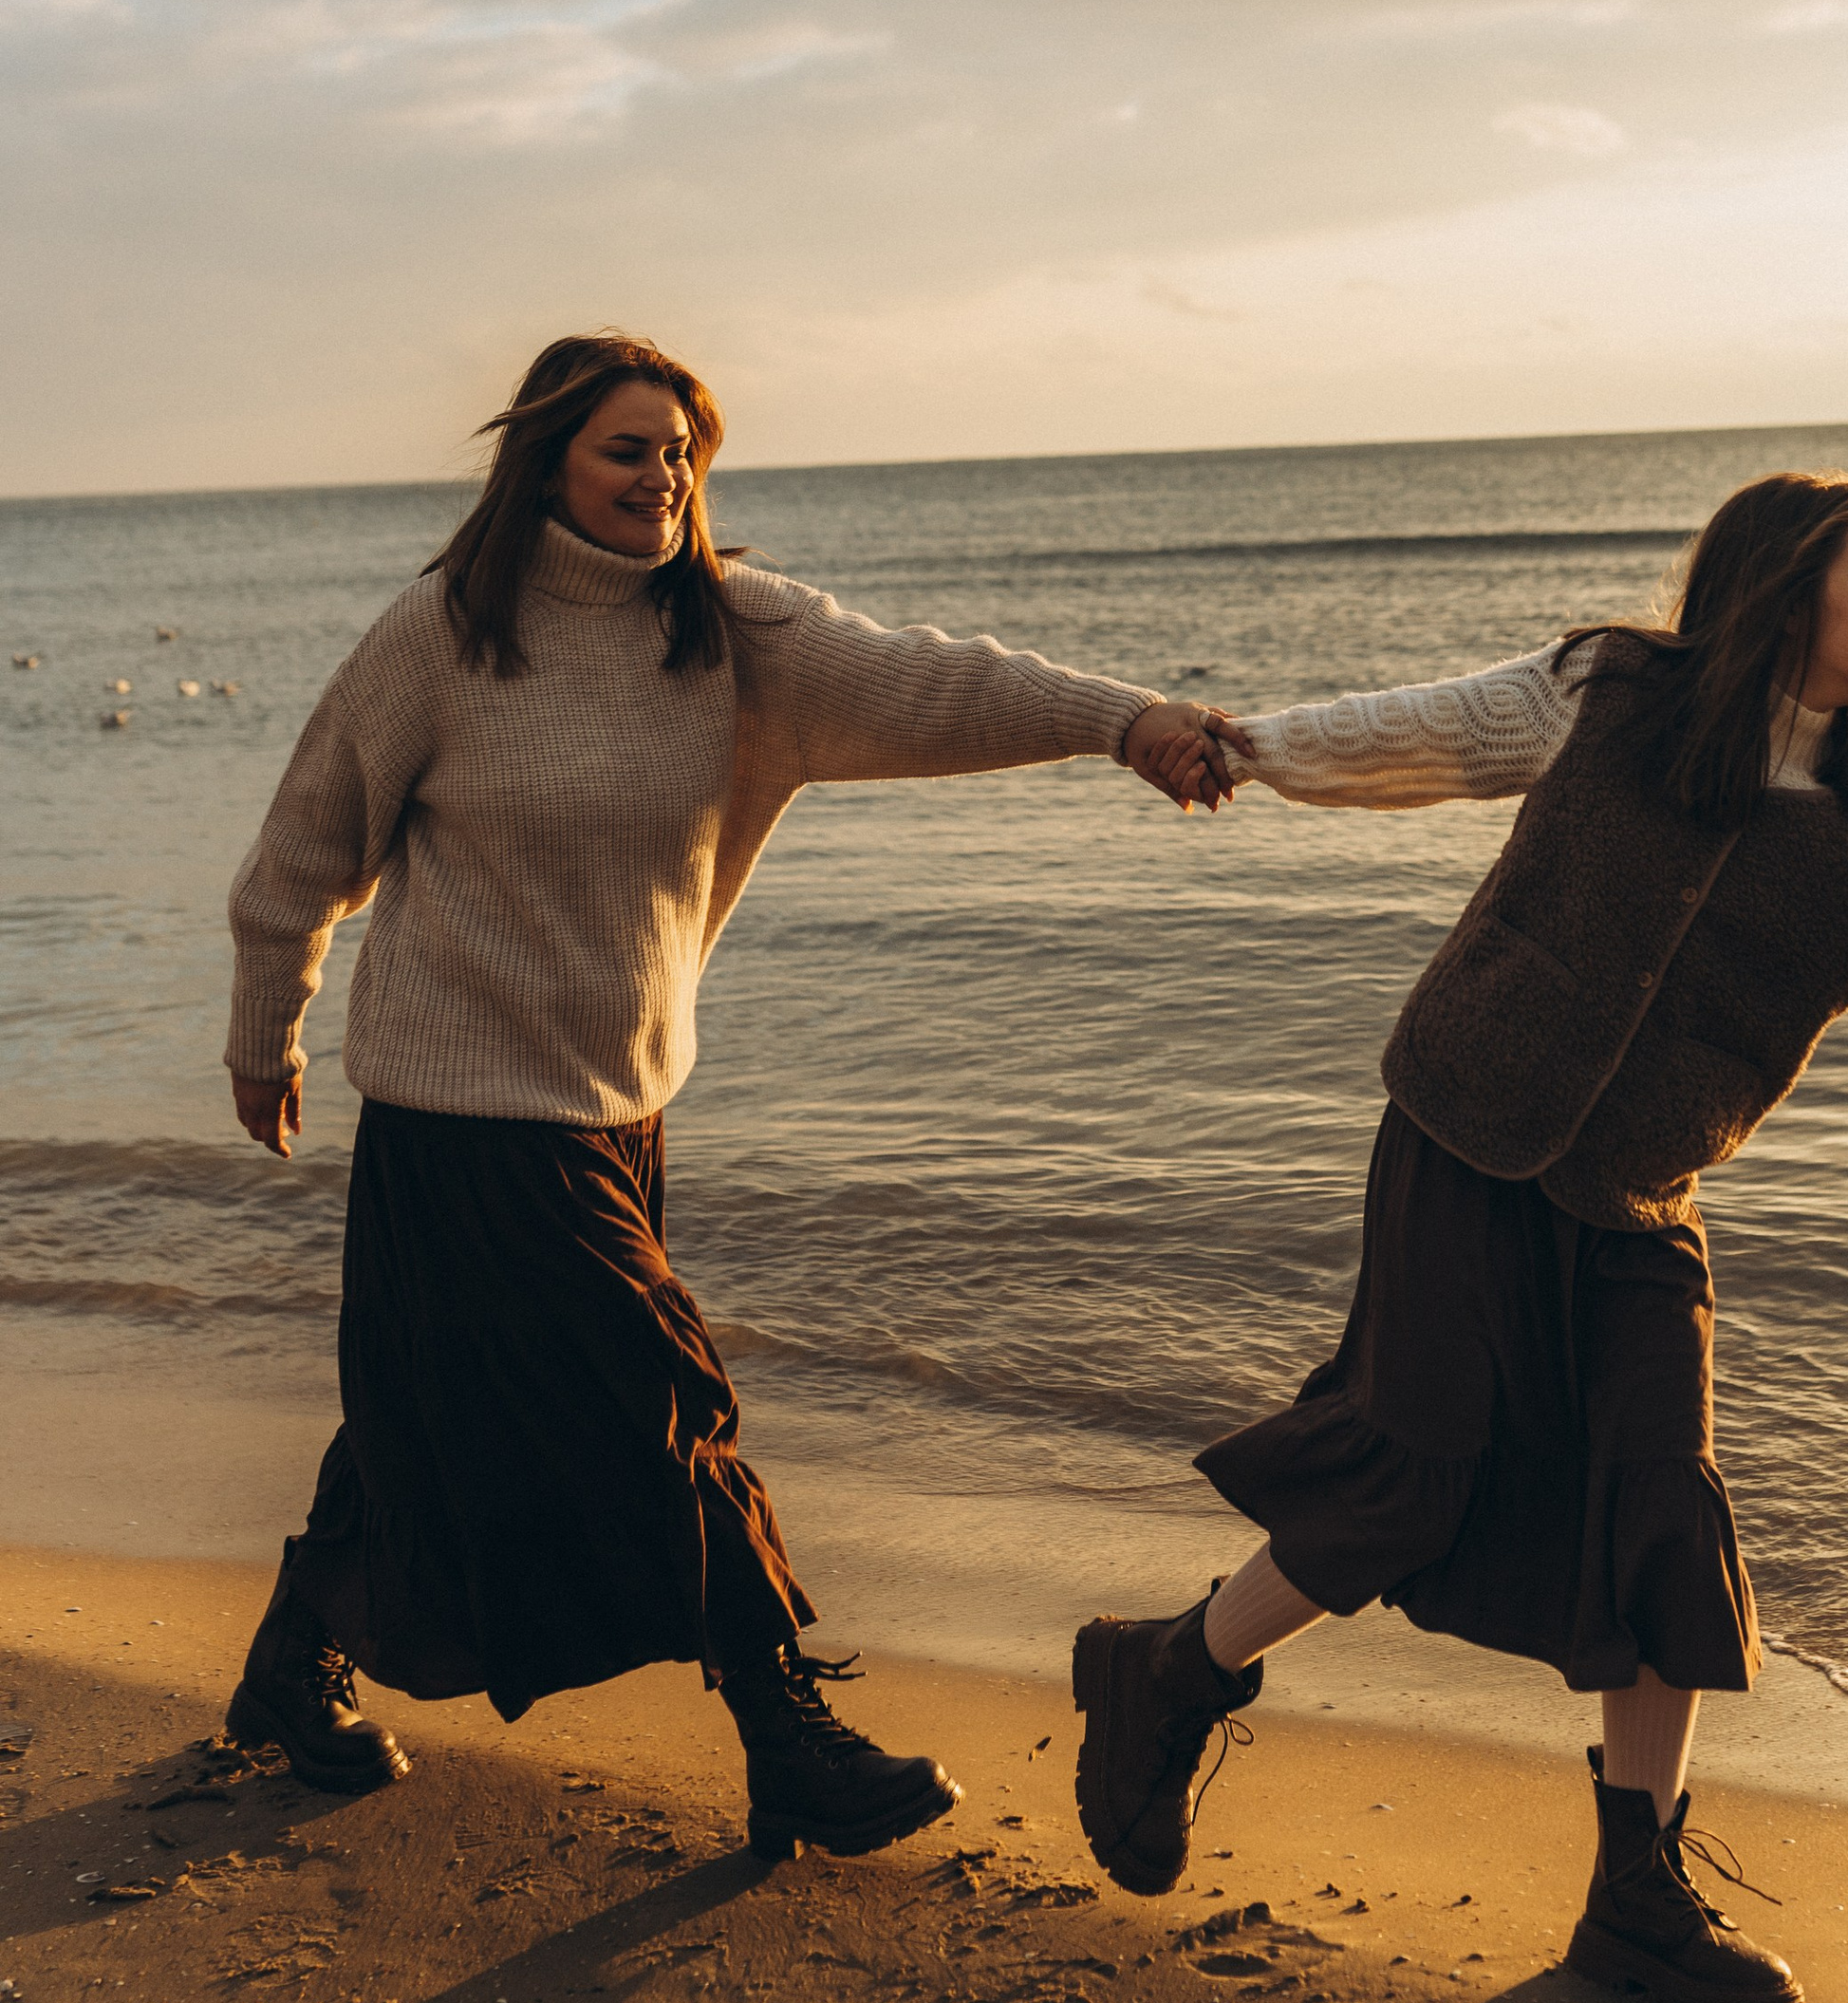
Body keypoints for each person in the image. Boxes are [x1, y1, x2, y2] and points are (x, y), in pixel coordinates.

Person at [1070, 473, 1848, 2003]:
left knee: (1660, 1514)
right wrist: (1249, 750)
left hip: (1642, 1199)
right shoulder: (1611, 697)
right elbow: (1429, 733)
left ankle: (1633, 1896)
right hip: (1465, 1134)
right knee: (1413, 1472)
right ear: (1791, 591)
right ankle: (1171, 1672)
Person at [223, 330, 1230, 1862]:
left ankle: (290, 1665)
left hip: (617, 1111)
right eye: (631, 449)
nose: (664, 475)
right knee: (660, 1401)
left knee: (423, 1413)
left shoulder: (735, 634)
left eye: (684, 451)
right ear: (548, 460)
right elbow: (306, 850)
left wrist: (1124, 722)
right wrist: (265, 1032)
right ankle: (786, 1735)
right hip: (457, 1118)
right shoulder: (444, 634)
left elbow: (934, 682)